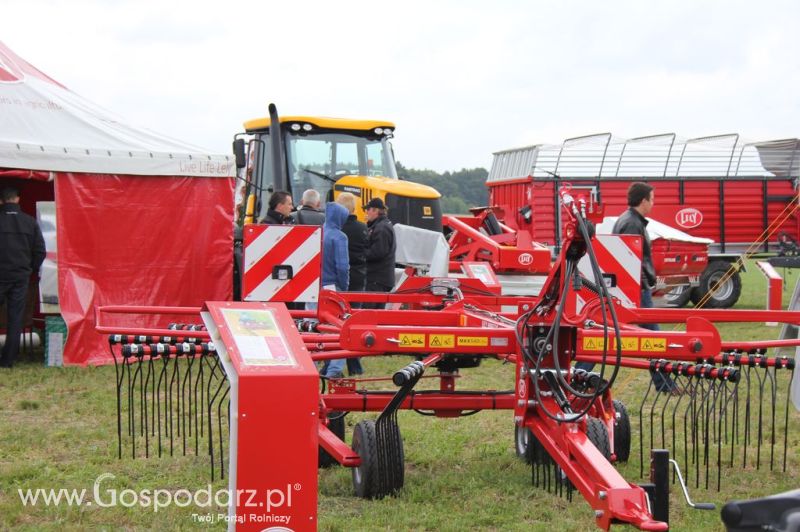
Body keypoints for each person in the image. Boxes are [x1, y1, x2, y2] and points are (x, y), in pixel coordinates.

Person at [575, 182, 678, 393]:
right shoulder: (632, 224)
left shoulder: (627, 219)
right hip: (636, 290)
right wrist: (641, 284)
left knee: (609, 337)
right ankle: (665, 385)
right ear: (643, 201)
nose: (653, 203)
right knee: (652, 339)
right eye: (652, 198)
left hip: (632, 289)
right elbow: (631, 260)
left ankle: (578, 376)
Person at [0, 186, 45, 368]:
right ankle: (8, 360)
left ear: (1, 201)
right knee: (15, 317)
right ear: (18, 199)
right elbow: (40, 251)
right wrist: (30, 269)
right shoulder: (30, 222)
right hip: (20, 277)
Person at [336, 192, 368, 375]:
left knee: (336, 323)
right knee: (354, 322)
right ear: (354, 208)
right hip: (358, 279)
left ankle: (332, 363)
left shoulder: (337, 229)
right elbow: (368, 251)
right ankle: (355, 366)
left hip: (340, 282)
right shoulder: (362, 228)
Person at [319, 201, 350, 379]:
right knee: (339, 330)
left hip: (315, 288)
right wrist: (344, 288)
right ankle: (334, 370)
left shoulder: (319, 233)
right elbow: (343, 266)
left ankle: (312, 365)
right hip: (332, 289)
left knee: (314, 329)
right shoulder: (339, 237)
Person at [364, 198, 396, 302]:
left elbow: (377, 253)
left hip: (377, 280)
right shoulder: (382, 225)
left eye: (368, 209)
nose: (366, 212)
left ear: (375, 210)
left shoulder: (381, 228)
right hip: (381, 279)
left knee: (370, 313)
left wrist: (359, 254)